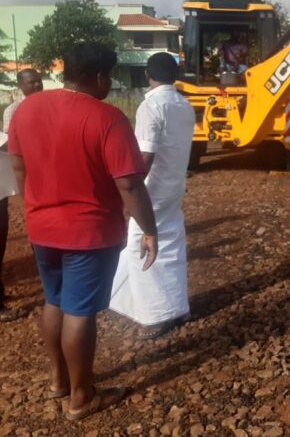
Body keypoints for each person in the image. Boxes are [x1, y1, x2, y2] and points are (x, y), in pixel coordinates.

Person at [8, 41, 158, 421]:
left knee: (54, 300)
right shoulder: (107, 118)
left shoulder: (27, 110)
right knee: (80, 312)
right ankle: (81, 397)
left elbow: (20, 167)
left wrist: (33, 209)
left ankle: (58, 380)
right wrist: (149, 228)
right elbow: (129, 185)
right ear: (101, 77)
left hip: (42, 227)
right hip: (88, 233)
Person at [110, 52, 195, 339]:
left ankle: (155, 314)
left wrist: (130, 193)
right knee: (171, 246)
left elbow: (145, 156)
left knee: (141, 246)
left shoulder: (152, 106)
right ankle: (176, 305)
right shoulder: (184, 105)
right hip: (173, 186)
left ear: (147, 76)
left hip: (152, 190)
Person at [0, 69, 43, 321]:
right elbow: (8, 142)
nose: (37, 85)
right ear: (21, 86)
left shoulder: (51, 104)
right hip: (24, 167)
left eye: (39, 81)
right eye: (31, 82)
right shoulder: (13, 110)